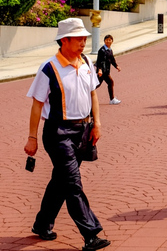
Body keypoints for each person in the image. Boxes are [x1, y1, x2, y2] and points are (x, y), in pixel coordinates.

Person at [24, 18, 111, 251]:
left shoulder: (86, 62)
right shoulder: (49, 68)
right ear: (64, 40)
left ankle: (42, 224)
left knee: (61, 182)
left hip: (83, 130)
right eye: (79, 38)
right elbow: (36, 104)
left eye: (84, 38)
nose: (83, 42)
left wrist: (97, 124)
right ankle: (90, 235)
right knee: (73, 182)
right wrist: (32, 137)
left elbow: (93, 94)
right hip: (58, 133)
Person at [95, 34, 121, 105]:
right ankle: (112, 99)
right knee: (110, 82)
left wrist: (116, 66)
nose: (108, 41)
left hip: (106, 70)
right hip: (103, 71)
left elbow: (112, 59)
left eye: (109, 40)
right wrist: (99, 70)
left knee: (96, 84)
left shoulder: (109, 50)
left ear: (112, 41)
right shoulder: (102, 50)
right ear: (104, 41)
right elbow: (99, 60)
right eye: (106, 40)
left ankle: (86, 94)